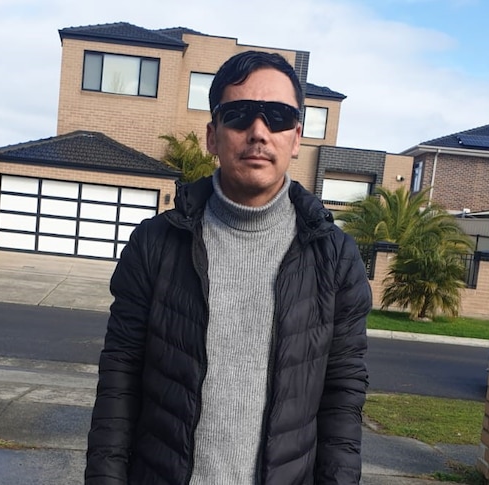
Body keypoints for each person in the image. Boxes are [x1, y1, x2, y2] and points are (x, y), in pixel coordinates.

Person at [85, 50, 371, 485]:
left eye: (276, 116)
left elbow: (342, 401)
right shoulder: (156, 243)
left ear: (296, 137)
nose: (258, 131)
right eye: (239, 115)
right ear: (212, 135)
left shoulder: (334, 256)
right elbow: (118, 384)